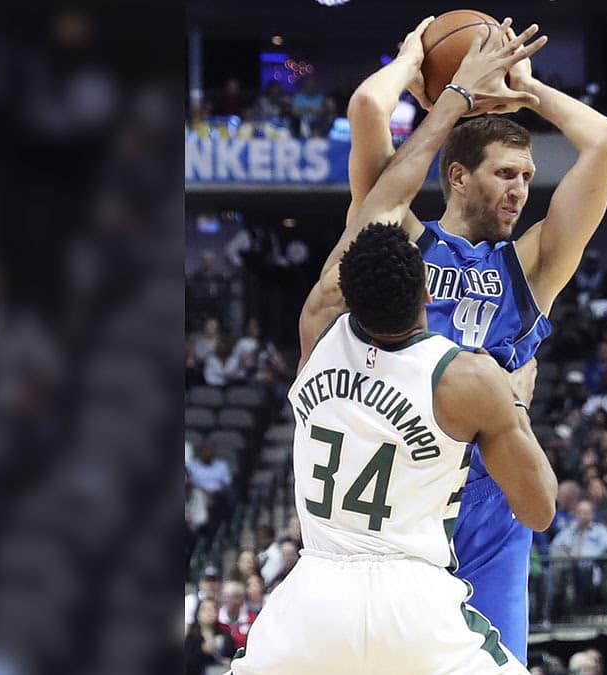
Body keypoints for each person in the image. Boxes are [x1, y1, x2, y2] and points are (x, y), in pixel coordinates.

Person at [230, 22, 552, 675]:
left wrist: (437, 83)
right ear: (425, 289)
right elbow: (539, 506)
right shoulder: (464, 377)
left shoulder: (317, 324)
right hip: (414, 600)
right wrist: (512, 406)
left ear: (347, 283)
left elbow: (380, 193)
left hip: (313, 594)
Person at [345, 15, 607, 663]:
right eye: (506, 174)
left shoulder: (532, 265)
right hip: (404, 517)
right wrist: (417, 63)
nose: (521, 190)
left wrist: (527, 90)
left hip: (492, 525)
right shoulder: (403, 245)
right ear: (457, 176)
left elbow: (605, 142)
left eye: (527, 177)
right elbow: (366, 110)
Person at [184, 598, 235, 675]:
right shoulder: (191, 637)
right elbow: (187, 663)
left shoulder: (225, 634)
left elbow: (233, 654)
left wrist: (230, 661)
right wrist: (202, 651)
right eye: (205, 610)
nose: (209, 613)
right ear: (198, 614)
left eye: (212, 609)